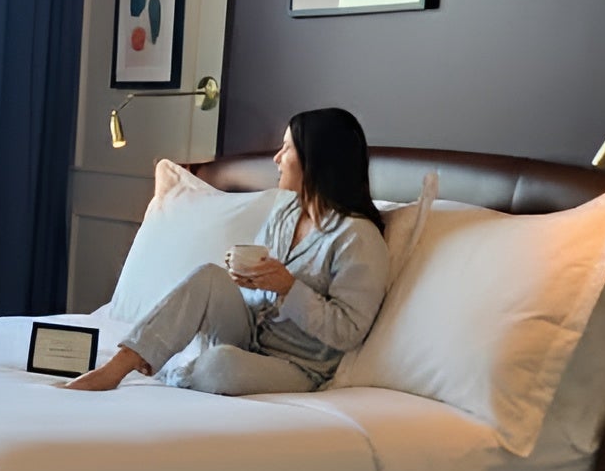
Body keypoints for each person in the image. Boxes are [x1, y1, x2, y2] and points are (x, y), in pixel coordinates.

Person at [66, 107, 390, 396]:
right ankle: (118, 366)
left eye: (287, 148)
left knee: (220, 365)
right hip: (251, 336)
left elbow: (348, 332)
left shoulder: (357, 237)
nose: (277, 158)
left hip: (297, 365)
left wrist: (288, 289)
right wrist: (246, 281)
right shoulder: (286, 213)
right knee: (209, 276)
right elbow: (259, 292)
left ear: (315, 159)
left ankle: (176, 369)